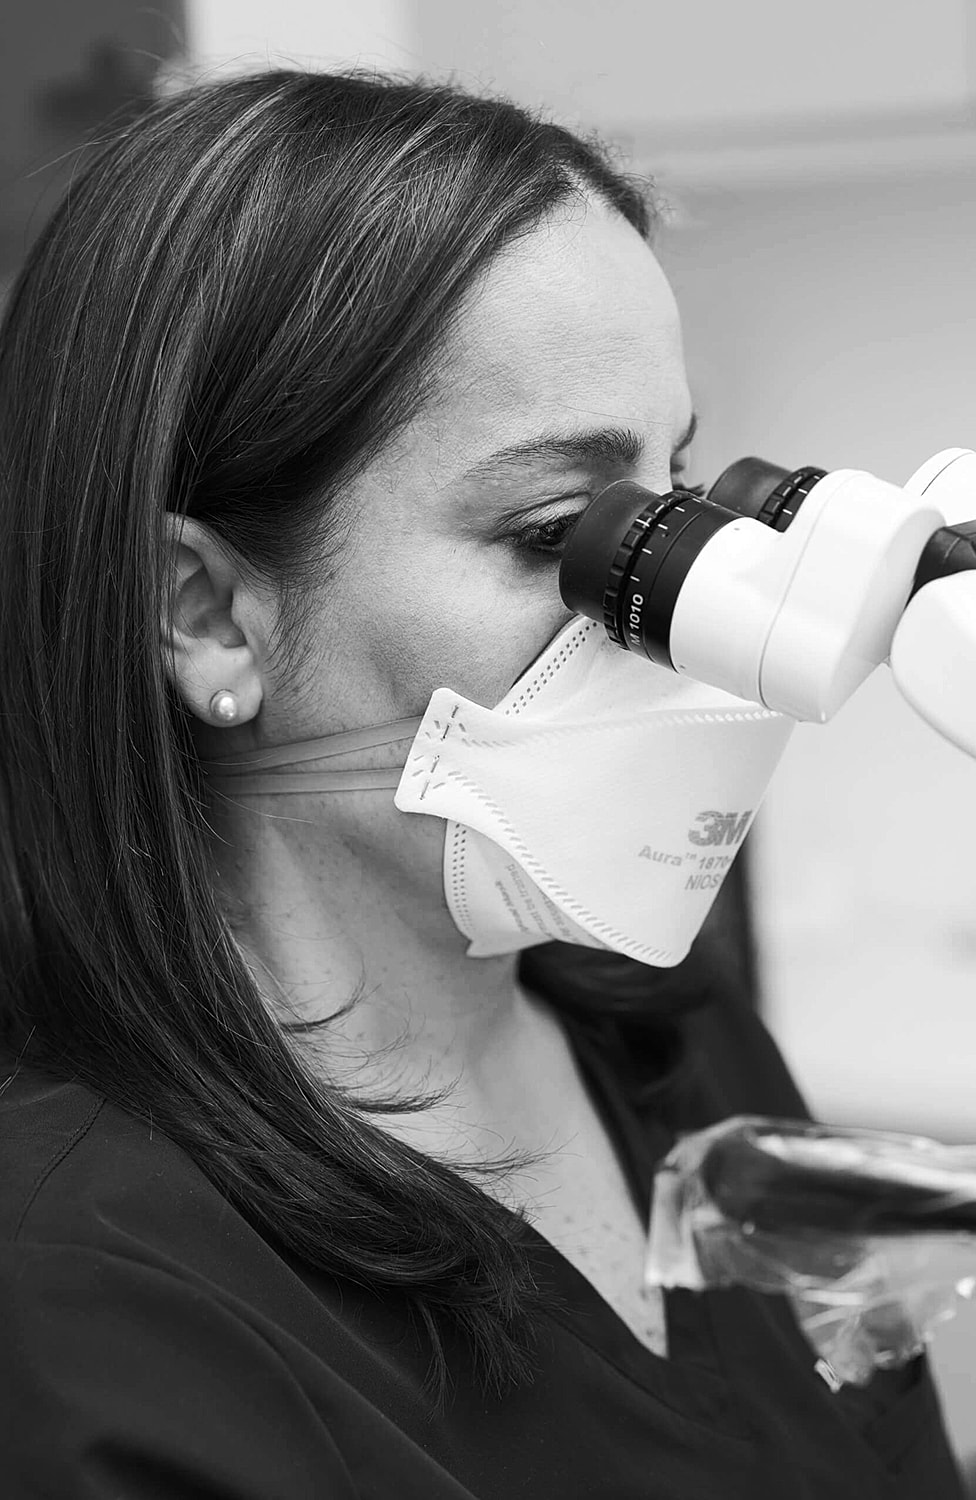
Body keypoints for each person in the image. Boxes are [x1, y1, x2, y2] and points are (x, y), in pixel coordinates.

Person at [0, 67, 965, 1499]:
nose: (676, 617)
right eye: (568, 530)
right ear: (203, 614)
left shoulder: (676, 1033)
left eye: (676, 497)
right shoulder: (87, 1308)